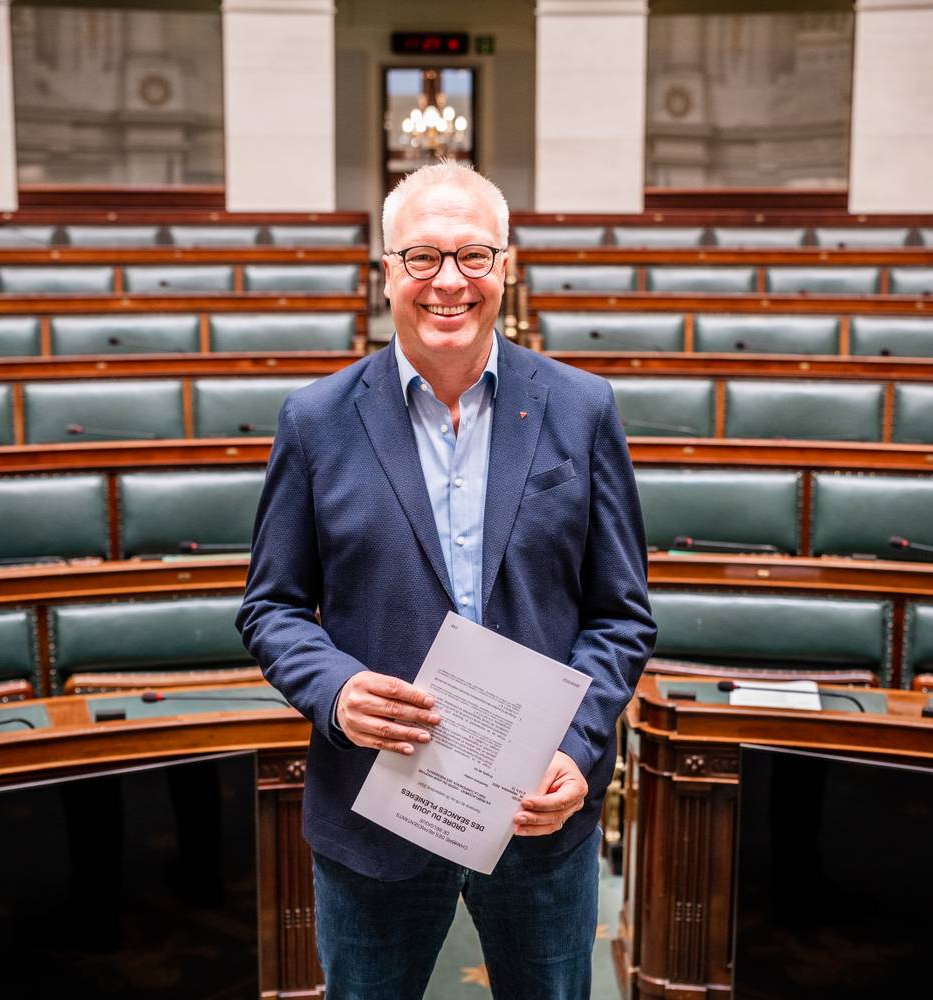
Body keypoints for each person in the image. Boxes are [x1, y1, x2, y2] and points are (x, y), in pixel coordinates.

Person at [237, 160, 655, 1000]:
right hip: (375, 812)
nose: (449, 282)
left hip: (538, 811)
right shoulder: (316, 421)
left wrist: (575, 753)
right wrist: (336, 690)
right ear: (386, 271)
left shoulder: (582, 407)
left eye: (474, 255)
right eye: (422, 257)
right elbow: (272, 606)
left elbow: (621, 616)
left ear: (506, 268)